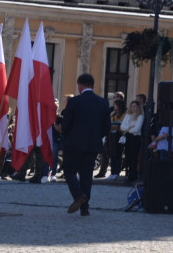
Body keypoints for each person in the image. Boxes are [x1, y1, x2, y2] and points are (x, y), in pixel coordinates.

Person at [61, 73, 111, 216]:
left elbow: (66, 124)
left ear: (80, 85)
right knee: (86, 176)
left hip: (74, 144)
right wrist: (96, 137)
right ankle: (85, 208)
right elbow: (106, 127)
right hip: (92, 145)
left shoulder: (74, 102)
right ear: (92, 86)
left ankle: (78, 195)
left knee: (69, 171)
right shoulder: (102, 103)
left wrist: (65, 132)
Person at [96, 98, 126, 179]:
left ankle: (116, 172)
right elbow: (109, 122)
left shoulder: (123, 114)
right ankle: (112, 172)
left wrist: (114, 125)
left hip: (118, 135)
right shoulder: (113, 113)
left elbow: (119, 124)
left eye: (115, 105)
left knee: (117, 155)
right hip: (111, 135)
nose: (114, 106)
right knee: (111, 154)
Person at [120, 99, 144, 183]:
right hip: (128, 137)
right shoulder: (128, 115)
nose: (133, 108)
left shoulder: (140, 116)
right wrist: (128, 128)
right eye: (132, 106)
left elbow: (137, 129)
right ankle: (128, 173)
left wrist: (128, 129)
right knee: (128, 156)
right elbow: (122, 126)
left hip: (135, 138)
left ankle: (133, 175)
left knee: (134, 157)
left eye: (135, 106)